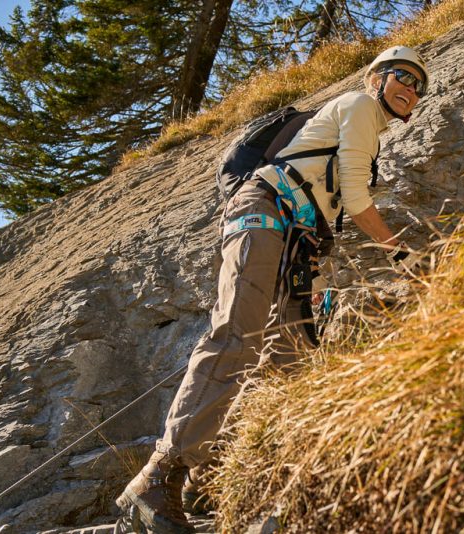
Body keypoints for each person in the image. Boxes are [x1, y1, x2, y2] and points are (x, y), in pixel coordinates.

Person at [115, 45, 430, 533]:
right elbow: (353, 195)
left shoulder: (366, 124)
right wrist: (401, 254)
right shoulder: (360, 106)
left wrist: (317, 271)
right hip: (265, 211)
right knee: (236, 334)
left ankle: (215, 478)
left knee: (291, 360)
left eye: (418, 84)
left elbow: (326, 200)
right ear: (376, 79)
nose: (410, 88)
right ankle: (158, 477)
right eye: (401, 76)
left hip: (296, 238)